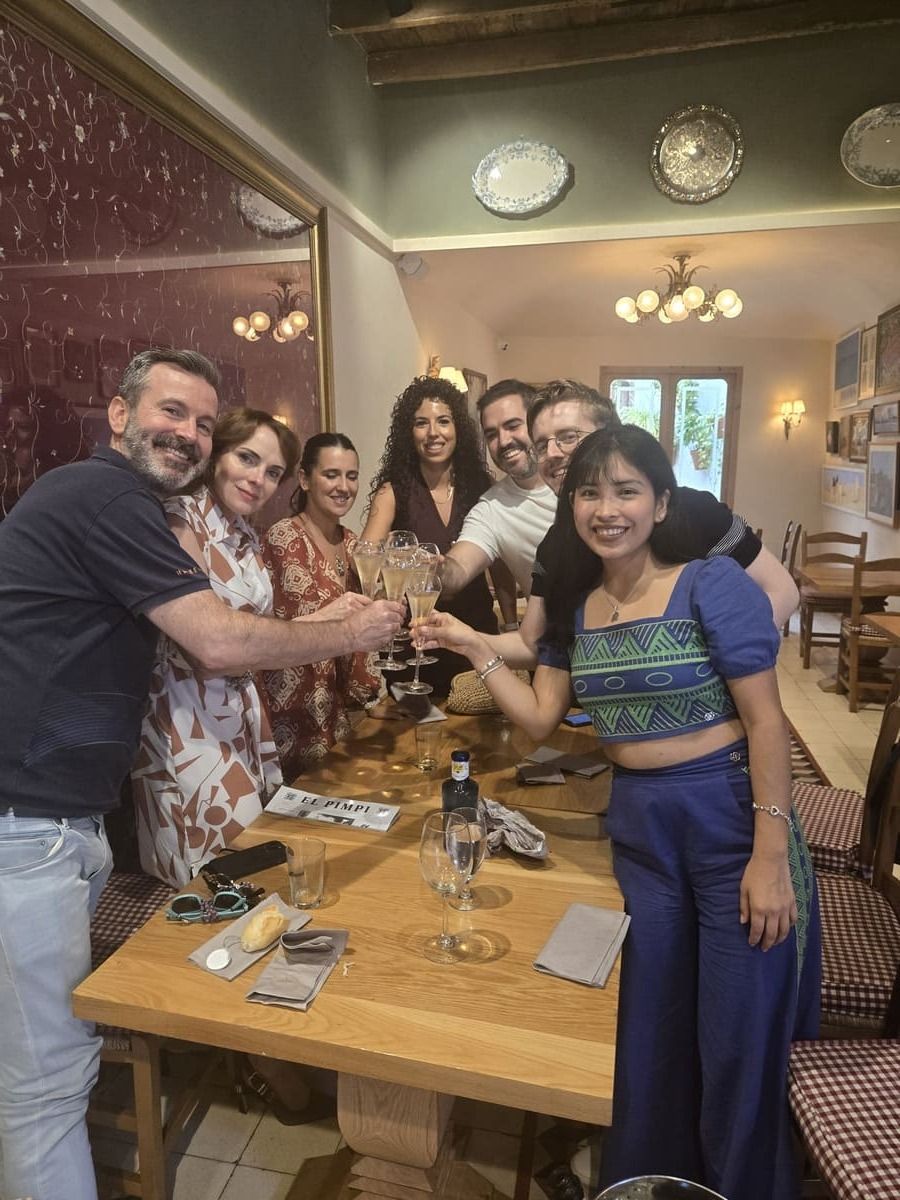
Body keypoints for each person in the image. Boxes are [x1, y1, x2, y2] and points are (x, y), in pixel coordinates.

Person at [0, 347, 403, 1200]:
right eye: (169, 413)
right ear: (118, 414)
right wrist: (350, 634)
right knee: (43, 1090)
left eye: (199, 421)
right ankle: (272, 1068)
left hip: (61, 818)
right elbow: (217, 642)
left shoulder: (125, 505)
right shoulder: (107, 497)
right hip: (30, 821)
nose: (186, 435)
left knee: (51, 1071)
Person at [423, 425, 820, 1200]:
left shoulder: (712, 583)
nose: (607, 509)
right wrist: (473, 648)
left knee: (737, 1038)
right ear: (571, 504)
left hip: (730, 823)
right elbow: (539, 720)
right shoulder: (580, 608)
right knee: (652, 1032)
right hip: (641, 833)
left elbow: (769, 723)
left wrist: (769, 858)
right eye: (590, 492)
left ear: (661, 502)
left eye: (627, 490)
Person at [439, 379, 799, 667]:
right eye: (542, 444)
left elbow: (781, 591)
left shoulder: (690, 509)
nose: (552, 454)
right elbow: (532, 642)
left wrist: (726, 671)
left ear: (610, 435)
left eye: (568, 437)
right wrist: (462, 637)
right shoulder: (557, 541)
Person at [132, 407, 301, 886]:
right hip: (186, 720)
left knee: (251, 865)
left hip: (238, 713)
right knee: (214, 872)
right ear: (217, 454)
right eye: (247, 459)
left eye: (273, 473)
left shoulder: (245, 531)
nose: (258, 480)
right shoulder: (181, 518)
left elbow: (253, 629)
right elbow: (205, 642)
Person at [361, 375, 504, 694]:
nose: (433, 433)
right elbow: (367, 557)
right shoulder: (392, 493)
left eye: (443, 421)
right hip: (415, 645)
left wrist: (510, 624)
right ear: (408, 433)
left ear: (458, 430)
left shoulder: (483, 489)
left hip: (475, 635)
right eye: (421, 423)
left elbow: (502, 568)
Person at [261, 433, 380, 781]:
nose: (344, 486)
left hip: (339, 721)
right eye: (331, 474)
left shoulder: (354, 544)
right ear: (304, 479)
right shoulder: (284, 539)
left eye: (352, 476)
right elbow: (271, 634)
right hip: (292, 720)